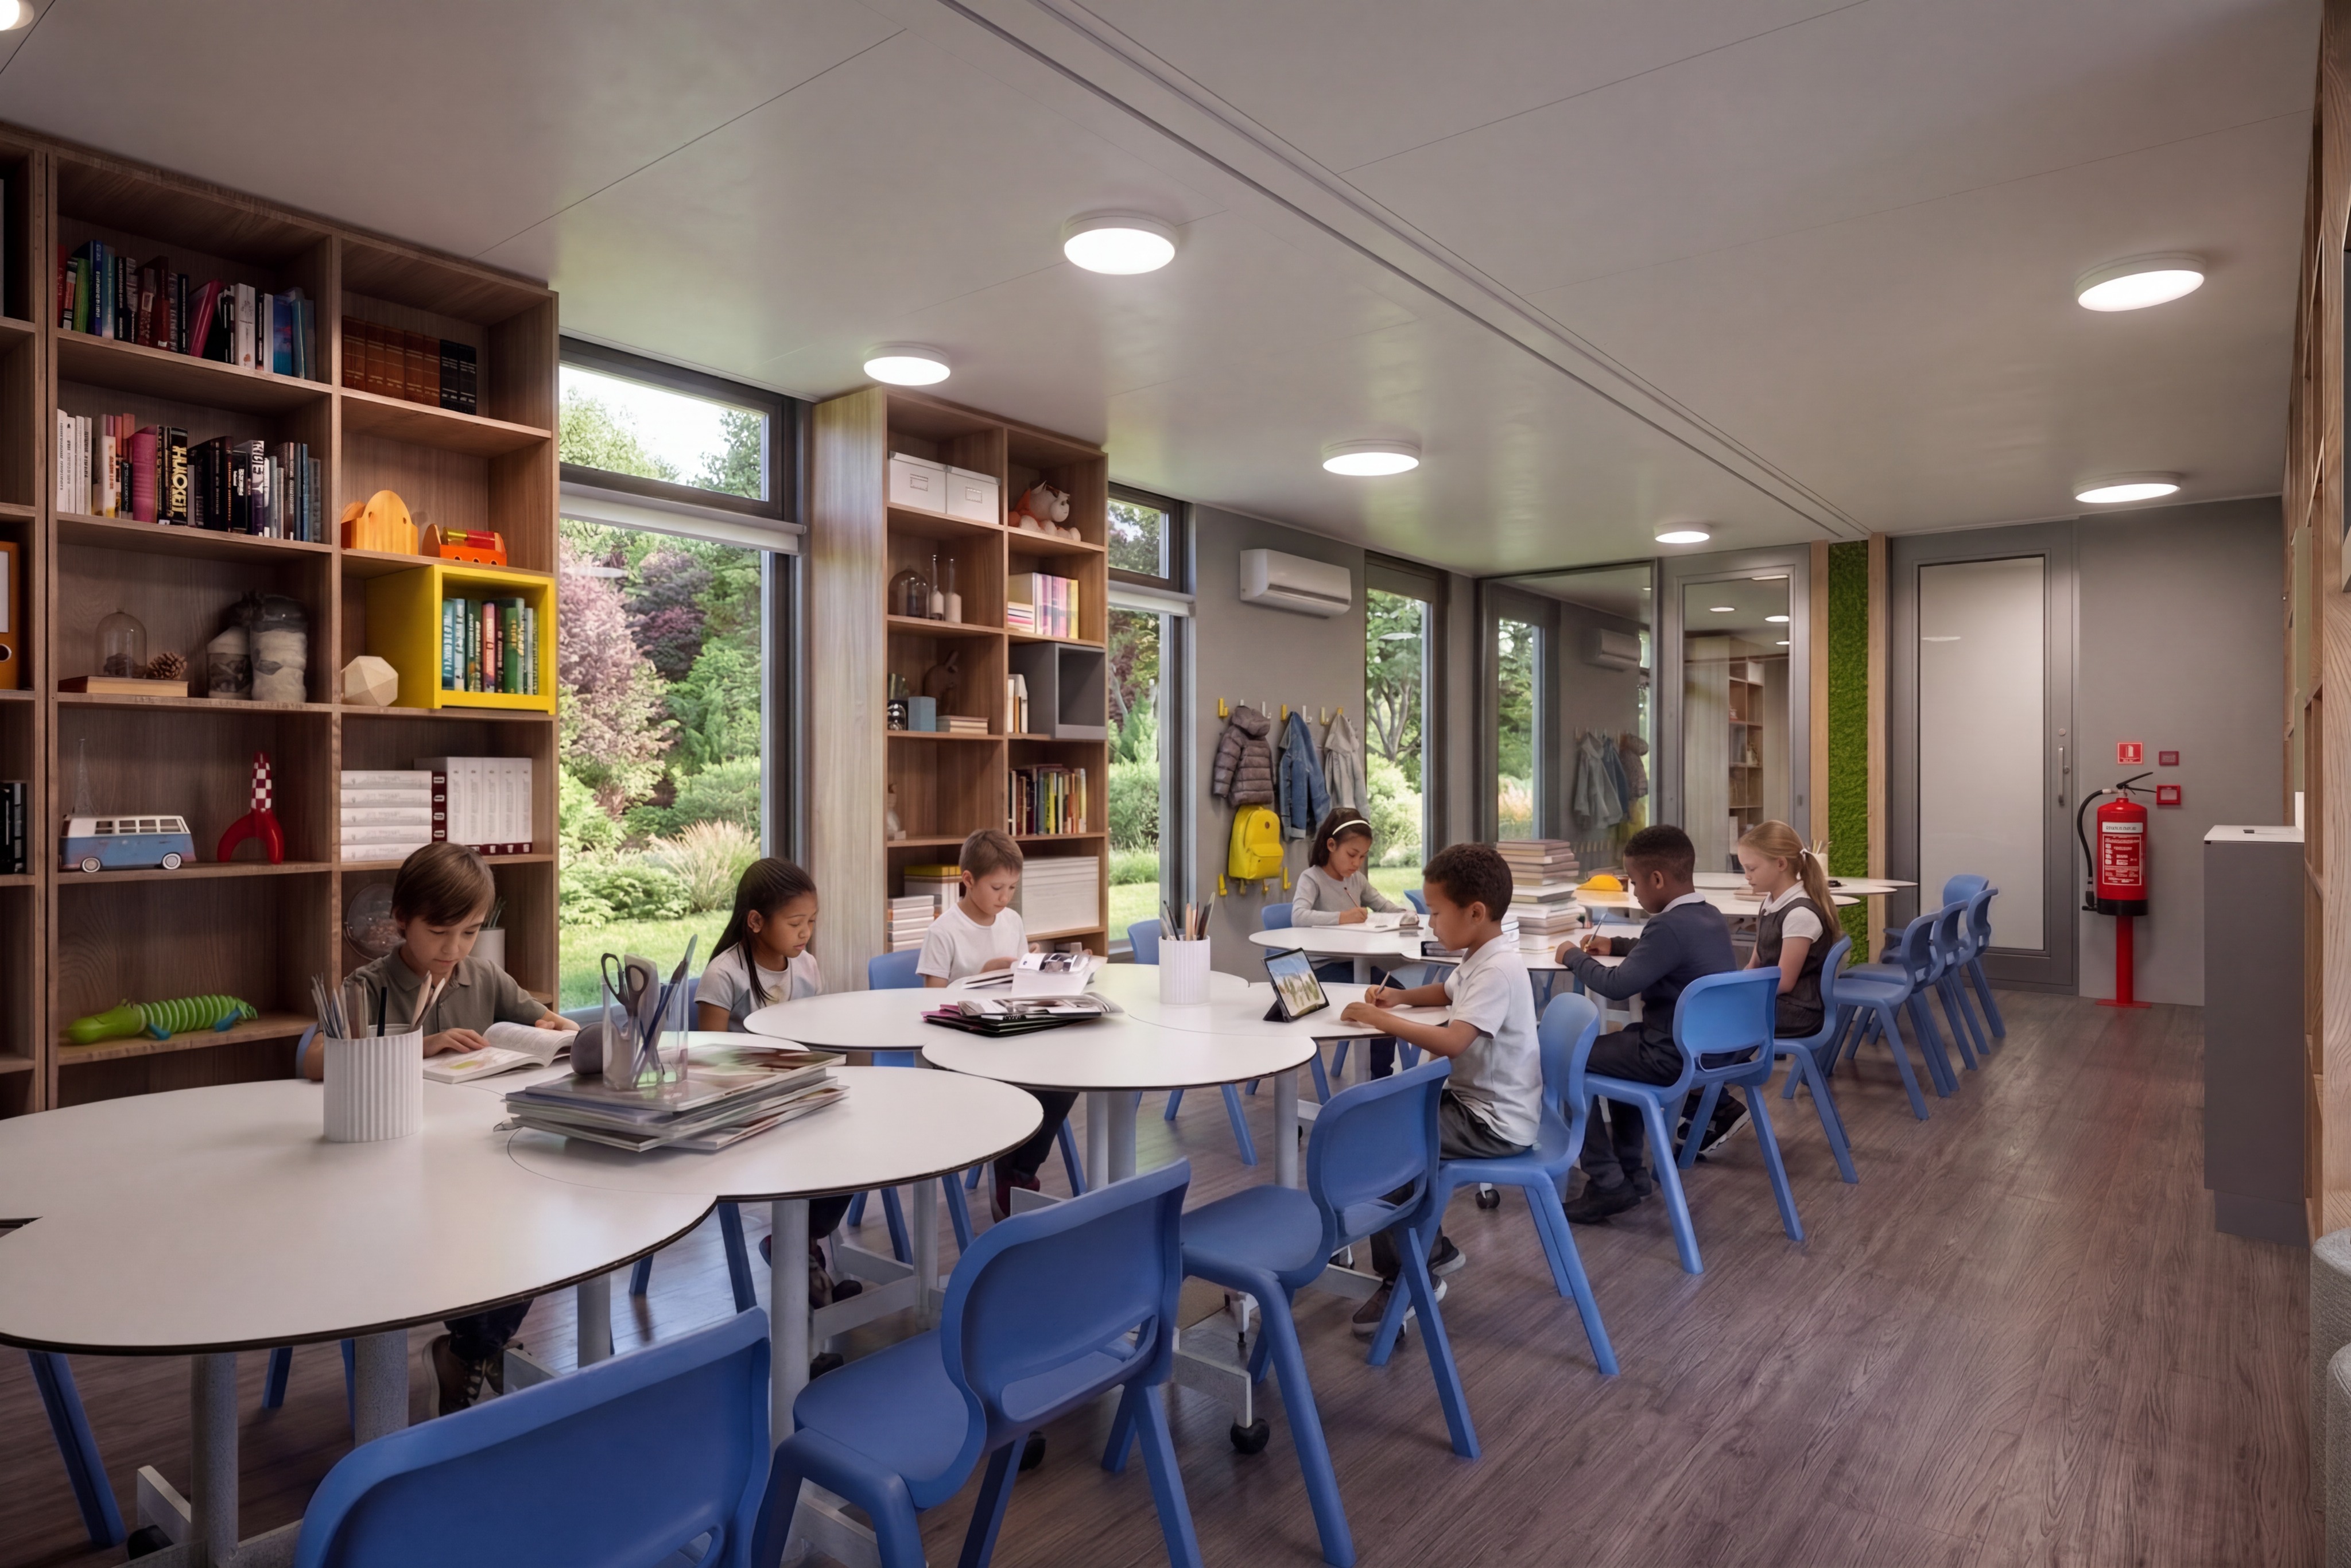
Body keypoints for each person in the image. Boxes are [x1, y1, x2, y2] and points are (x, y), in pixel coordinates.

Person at [304, 841, 576, 1415]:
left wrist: (556, 1028)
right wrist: (420, 1045)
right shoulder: (369, 987)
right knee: (477, 1234)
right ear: (401, 919)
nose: (454, 949)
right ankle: (477, 1351)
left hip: (475, 1156)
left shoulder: (484, 976)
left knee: (532, 1227)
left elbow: (542, 1021)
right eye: (439, 932)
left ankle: (471, 1352)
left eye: (470, 932)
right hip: (392, 1172)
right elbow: (314, 1058)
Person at [1338, 842, 1543, 1335]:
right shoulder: (1481, 956)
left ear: (1475, 912)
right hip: (1479, 1105)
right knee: (1391, 1121)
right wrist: (1400, 998)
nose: (1431, 924)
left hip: (1493, 1122)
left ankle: (1409, 1279)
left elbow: (1453, 1041)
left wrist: (1379, 1019)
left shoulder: (1497, 970)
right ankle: (1433, 1248)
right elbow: (1449, 992)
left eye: (1436, 913)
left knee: (1388, 1144)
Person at [696, 857, 862, 1314]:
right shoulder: (723, 975)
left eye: (812, 921)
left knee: (857, 1142)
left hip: (798, 1096)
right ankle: (800, 1251)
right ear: (756, 922)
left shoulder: (806, 967)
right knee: (818, 1147)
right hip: (745, 1107)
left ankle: (802, 1245)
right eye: (794, 923)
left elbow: (820, 1036)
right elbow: (708, 1059)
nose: (805, 932)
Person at [1553, 824, 1737, 1225]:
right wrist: (1617, 945)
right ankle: (1632, 1172)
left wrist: (1571, 955)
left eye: (1635, 882)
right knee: (1620, 1050)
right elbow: (1662, 953)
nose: (1634, 891)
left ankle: (1606, 1180)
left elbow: (1616, 985)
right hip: (1709, 1052)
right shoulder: (1708, 916)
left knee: (1562, 1057)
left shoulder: (1667, 926)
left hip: (1668, 1055)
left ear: (1657, 879)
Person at [916, 829, 1072, 1220]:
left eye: (1012, 888)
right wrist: (981, 975)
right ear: (968, 880)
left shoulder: (1012, 921)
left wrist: (1034, 969)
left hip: (1009, 1033)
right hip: (963, 1045)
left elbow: (1019, 985)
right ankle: (1014, 1173)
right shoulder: (943, 932)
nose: (1005, 898)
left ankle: (1018, 1171)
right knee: (1025, 1085)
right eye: (997, 888)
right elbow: (930, 1003)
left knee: (1067, 1077)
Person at [1294, 809, 1418, 1077]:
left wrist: (1407, 916)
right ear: (1331, 845)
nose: (1357, 863)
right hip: (1319, 969)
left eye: (1363, 857)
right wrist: (1343, 917)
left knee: (1393, 997)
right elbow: (1299, 916)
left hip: (1354, 965)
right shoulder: (1312, 878)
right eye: (1352, 855)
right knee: (1374, 1003)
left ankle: (1380, 1075)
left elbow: (1383, 905)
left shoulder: (1357, 880)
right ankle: (1378, 1077)